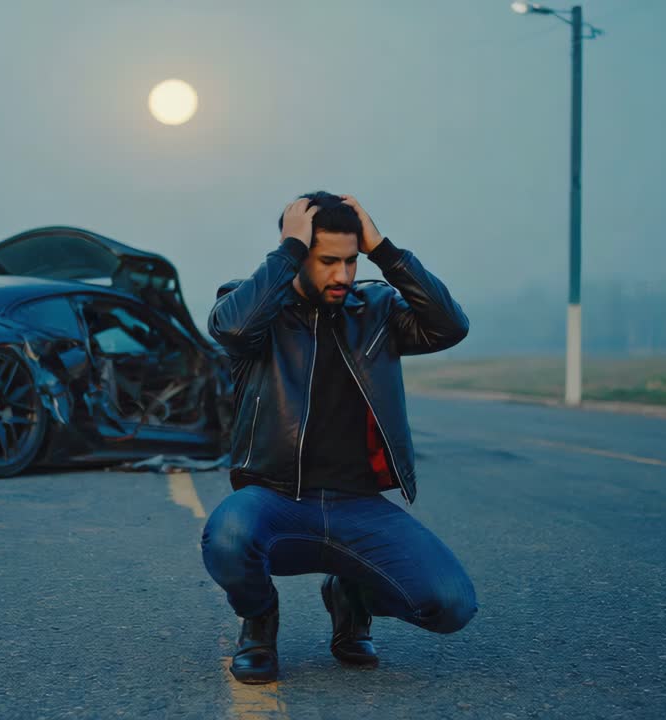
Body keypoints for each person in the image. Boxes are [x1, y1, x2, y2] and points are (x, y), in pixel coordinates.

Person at [201, 191, 477, 684]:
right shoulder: (255, 307)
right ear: (298, 255)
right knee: (226, 534)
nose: (344, 276)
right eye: (328, 261)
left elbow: (449, 326)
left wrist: (384, 251)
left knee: (452, 604)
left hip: (358, 507)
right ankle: (260, 621)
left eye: (351, 261)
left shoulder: (375, 309)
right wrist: (286, 249)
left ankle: (351, 596)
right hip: (277, 502)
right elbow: (235, 329)